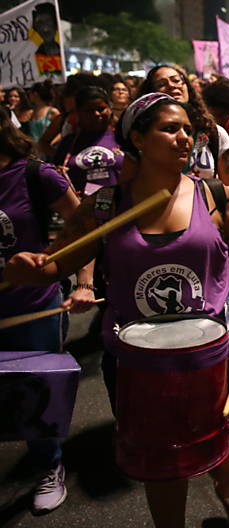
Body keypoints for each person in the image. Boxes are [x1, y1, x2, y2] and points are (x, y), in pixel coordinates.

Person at [5, 92, 229, 528]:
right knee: (162, 459)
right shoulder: (105, 205)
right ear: (137, 138)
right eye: (170, 128)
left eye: (188, 129)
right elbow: (57, 263)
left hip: (218, 348)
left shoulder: (212, 192)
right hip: (140, 358)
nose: (184, 137)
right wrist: (32, 269)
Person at [0, 105, 96, 514]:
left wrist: (85, 282)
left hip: (32, 306)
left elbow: (84, 227)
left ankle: (48, 466)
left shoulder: (32, 173)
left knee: (36, 392)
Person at [137, 65, 229, 201]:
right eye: (162, 84)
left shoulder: (214, 132)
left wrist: (202, 191)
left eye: (176, 80)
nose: (172, 86)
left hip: (207, 218)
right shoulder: (144, 136)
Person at [51, 86, 125, 197]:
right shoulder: (69, 143)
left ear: (110, 109)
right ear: (79, 113)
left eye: (101, 109)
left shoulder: (123, 138)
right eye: (89, 111)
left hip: (122, 207)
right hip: (84, 209)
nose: (96, 114)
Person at [23, 81, 60, 146]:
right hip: (35, 151)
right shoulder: (31, 113)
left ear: (35, 94)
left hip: (48, 150)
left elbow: (61, 132)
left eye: (30, 93)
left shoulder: (53, 112)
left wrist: (50, 143)